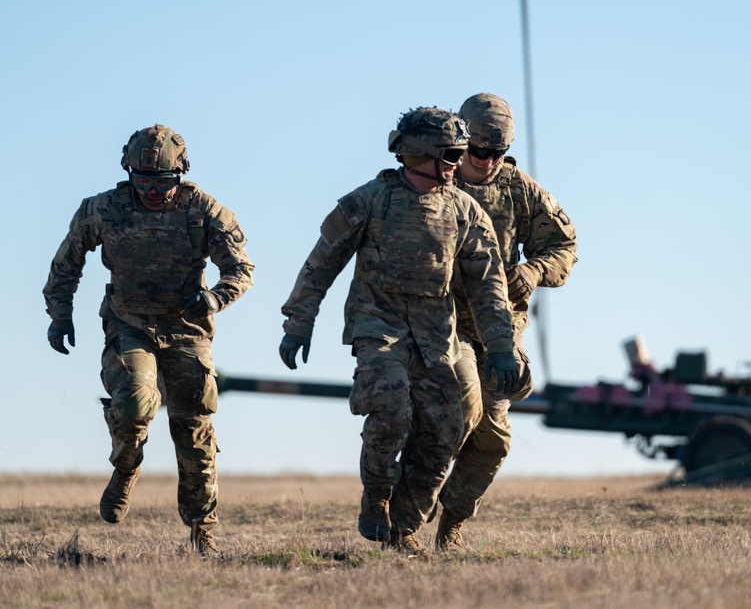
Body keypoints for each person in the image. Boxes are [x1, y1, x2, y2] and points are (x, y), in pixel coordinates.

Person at [278, 106, 518, 555]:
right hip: (378, 329)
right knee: (391, 409)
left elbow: (489, 286)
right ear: (417, 153)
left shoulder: (465, 211)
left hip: (437, 339)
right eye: (448, 156)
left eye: (459, 156)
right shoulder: (369, 201)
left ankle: (403, 528)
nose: (454, 167)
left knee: (450, 426)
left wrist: (503, 348)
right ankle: (378, 497)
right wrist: (299, 323)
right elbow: (321, 264)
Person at [43, 124, 255, 556]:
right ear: (128, 174)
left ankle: (202, 533)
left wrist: (214, 299)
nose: (154, 192)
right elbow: (66, 265)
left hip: (187, 331)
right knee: (135, 403)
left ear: (179, 175)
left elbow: (241, 269)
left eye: (163, 183)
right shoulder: (102, 209)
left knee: (194, 429)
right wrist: (59, 315)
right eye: (144, 182)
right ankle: (125, 467)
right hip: (129, 325)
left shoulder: (205, 210)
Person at [432, 93, 578, 551]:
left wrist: (532, 271)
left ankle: (451, 522)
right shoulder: (436, 179)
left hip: (497, 331)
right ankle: (405, 510)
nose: (488, 161)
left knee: (492, 440)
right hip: (442, 325)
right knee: (456, 413)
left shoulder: (520, 189)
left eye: (498, 152)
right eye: (479, 151)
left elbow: (565, 246)